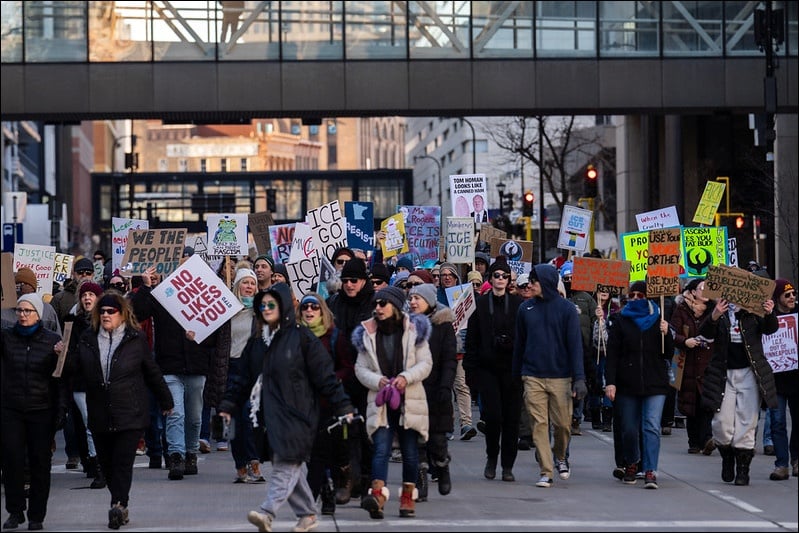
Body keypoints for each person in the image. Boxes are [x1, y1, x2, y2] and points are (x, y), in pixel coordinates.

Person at [218, 283, 354, 533]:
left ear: (283, 307)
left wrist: (343, 404)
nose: (266, 308)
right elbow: (242, 378)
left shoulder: (303, 339)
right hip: (270, 416)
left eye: (272, 304)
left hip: (300, 414)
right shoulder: (258, 342)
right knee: (294, 469)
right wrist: (228, 404)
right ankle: (308, 515)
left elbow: (325, 376)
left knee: (285, 464)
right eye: (263, 305)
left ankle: (267, 513)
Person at [68, 292, 173, 529]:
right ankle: (118, 499)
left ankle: (118, 504)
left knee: (122, 462)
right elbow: (74, 369)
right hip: (100, 412)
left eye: (110, 311)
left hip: (130, 411)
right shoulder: (88, 338)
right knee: (106, 463)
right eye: (102, 311)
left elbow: (152, 371)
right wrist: (62, 354)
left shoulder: (134, 339)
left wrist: (166, 400)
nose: (105, 315)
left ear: (121, 314)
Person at [131, 266, 228, 481]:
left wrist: (200, 336)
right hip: (169, 366)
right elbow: (138, 313)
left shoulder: (201, 297)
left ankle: (191, 452)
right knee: (175, 414)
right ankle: (175, 456)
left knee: (193, 418)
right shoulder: (162, 296)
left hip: (196, 367)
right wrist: (146, 287)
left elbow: (215, 333)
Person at [354, 285, 432, 519]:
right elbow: (360, 368)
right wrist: (377, 381)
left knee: (410, 453)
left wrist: (404, 377)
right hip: (381, 402)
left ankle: (408, 497)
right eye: (375, 304)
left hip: (409, 400)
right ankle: (377, 496)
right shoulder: (367, 333)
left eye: (382, 304)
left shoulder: (414, 330)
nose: (377, 308)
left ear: (395, 307)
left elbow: (425, 363)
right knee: (380, 450)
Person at [513, 264, 586, 488]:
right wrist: (516, 375)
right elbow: (520, 344)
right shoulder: (525, 309)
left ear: (544, 282)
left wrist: (579, 378)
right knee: (539, 425)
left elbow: (575, 346)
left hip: (561, 377)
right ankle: (546, 471)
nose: (529, 285)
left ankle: (560, 456)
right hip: (532, 375)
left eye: (533, 281)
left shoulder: (567, 310)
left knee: (563, 425)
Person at [1, 293, 66, 531]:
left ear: (38, 314)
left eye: (28, 311)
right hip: (12, 409)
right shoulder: (6, 337)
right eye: (19, 311)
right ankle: (15, 511)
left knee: (40, 463)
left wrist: (60, 409)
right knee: (12, 462)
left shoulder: (51, 341)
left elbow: (60, 379)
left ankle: (37, 515)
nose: (23, 315)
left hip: (41, 410)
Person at [700, 290, 778, 486]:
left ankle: (743, 469)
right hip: (724, 374)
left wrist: (769, 313)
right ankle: (727, 455)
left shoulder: (754, 312)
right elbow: (705, 332)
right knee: (721, 423)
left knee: (747, 422)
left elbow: (770, 329)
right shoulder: (720, 310)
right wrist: (715, 315)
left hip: (749, 373)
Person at [605, 281, 674, 490]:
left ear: (648, 297)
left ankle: (651, 469)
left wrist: (667, 334)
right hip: (627, 383)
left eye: (640, 295)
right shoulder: (620, 320)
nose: (635, 298)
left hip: (655, 382)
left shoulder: (659, 319)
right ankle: (632, 462)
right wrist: (610, 382)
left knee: (651, 426)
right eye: (632, 295)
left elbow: (668, 354)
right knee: (628, 428)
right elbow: (613, 354)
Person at [465, 257, 525, 482]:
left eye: (504, 276)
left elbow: (524, 337)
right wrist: (471, 373)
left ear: (509, 279)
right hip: (487, 369)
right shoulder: (479, 305)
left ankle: (508, 465)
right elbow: (471, 339)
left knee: (511, 420)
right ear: (490, 278)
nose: (500, 279)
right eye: (496, 275)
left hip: (512, 370)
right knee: (493, 417)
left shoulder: (518, 305)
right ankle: (492, 457)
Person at [298, 293, 353, 515]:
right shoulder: (294, 337)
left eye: (314, 307)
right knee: (309, 455)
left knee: (322, 452)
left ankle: (315, 496)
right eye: (305, 308)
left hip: (329, 404)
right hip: (303, 405)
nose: (309, 311)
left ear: (322, 311)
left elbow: (348, 367)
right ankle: (325, 488)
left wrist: (331, 379)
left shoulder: (334, 337)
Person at [325, 258, 376, 503]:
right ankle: (344, 480)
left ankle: (365, 479)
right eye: (345, 280)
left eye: (353, 280)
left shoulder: (376, 303)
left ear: (364, 281)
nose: (349, 285)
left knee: (367, 432)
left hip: (369, 378)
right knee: (341, 432)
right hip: (341, 376)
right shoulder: (334, 302)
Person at [408, 283, 457, 500]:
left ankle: (442, 466)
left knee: (437, 441)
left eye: (418, 298)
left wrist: (446, 385)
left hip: (437, 390)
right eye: (411, 298)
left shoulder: (443, 326)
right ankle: (420, 483)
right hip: (413, 390)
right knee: (416, 441)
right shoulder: (407, 325)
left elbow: (449, 359)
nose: (413, 302)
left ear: (429, 301)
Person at [64, 281, 107, 490]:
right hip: (82, 382)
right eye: (84, 295)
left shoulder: (107, 321)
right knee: (91, 424)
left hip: (105, 380)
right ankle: (97, 465)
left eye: (91, 294)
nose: (87, 298)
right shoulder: (73, 324)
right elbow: (69, 355)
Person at [223, 268, 264, 484]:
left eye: (252, 283)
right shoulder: (225, 312)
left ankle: (254, 460)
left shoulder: (260, 314)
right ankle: (240, 463)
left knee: (250, 417)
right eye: (245, 283)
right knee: (234, 422)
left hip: (251, 371)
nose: (249, 286)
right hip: (230, 369)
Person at [669, 278, 715, 455]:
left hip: (707, 364)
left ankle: (707, 439)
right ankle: (694, 441)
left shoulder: (714, 311)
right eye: (701, 288)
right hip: (687, 363)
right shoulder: (682, 310)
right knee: (691, 404)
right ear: (693, 292)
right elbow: (673, 333)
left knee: (707, 403)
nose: (705, 291)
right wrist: (684, 341)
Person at [559, 261, 598, 436]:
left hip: (583, 348)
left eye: (572, 277)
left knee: (580, 382)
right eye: (566, 278)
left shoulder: (587, 298)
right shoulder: (560, 298)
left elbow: (593, 322)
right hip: (562, 349)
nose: (569, 281)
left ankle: (576, 418)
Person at [768, 278, 798, 480]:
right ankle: (781, 464)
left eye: (794, 294)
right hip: (776, 379)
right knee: (777, 423)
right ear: (778, 297)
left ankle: (796, 460)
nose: (792, 298)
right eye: (787, 295)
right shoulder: (769, 316)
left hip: (797, 377)